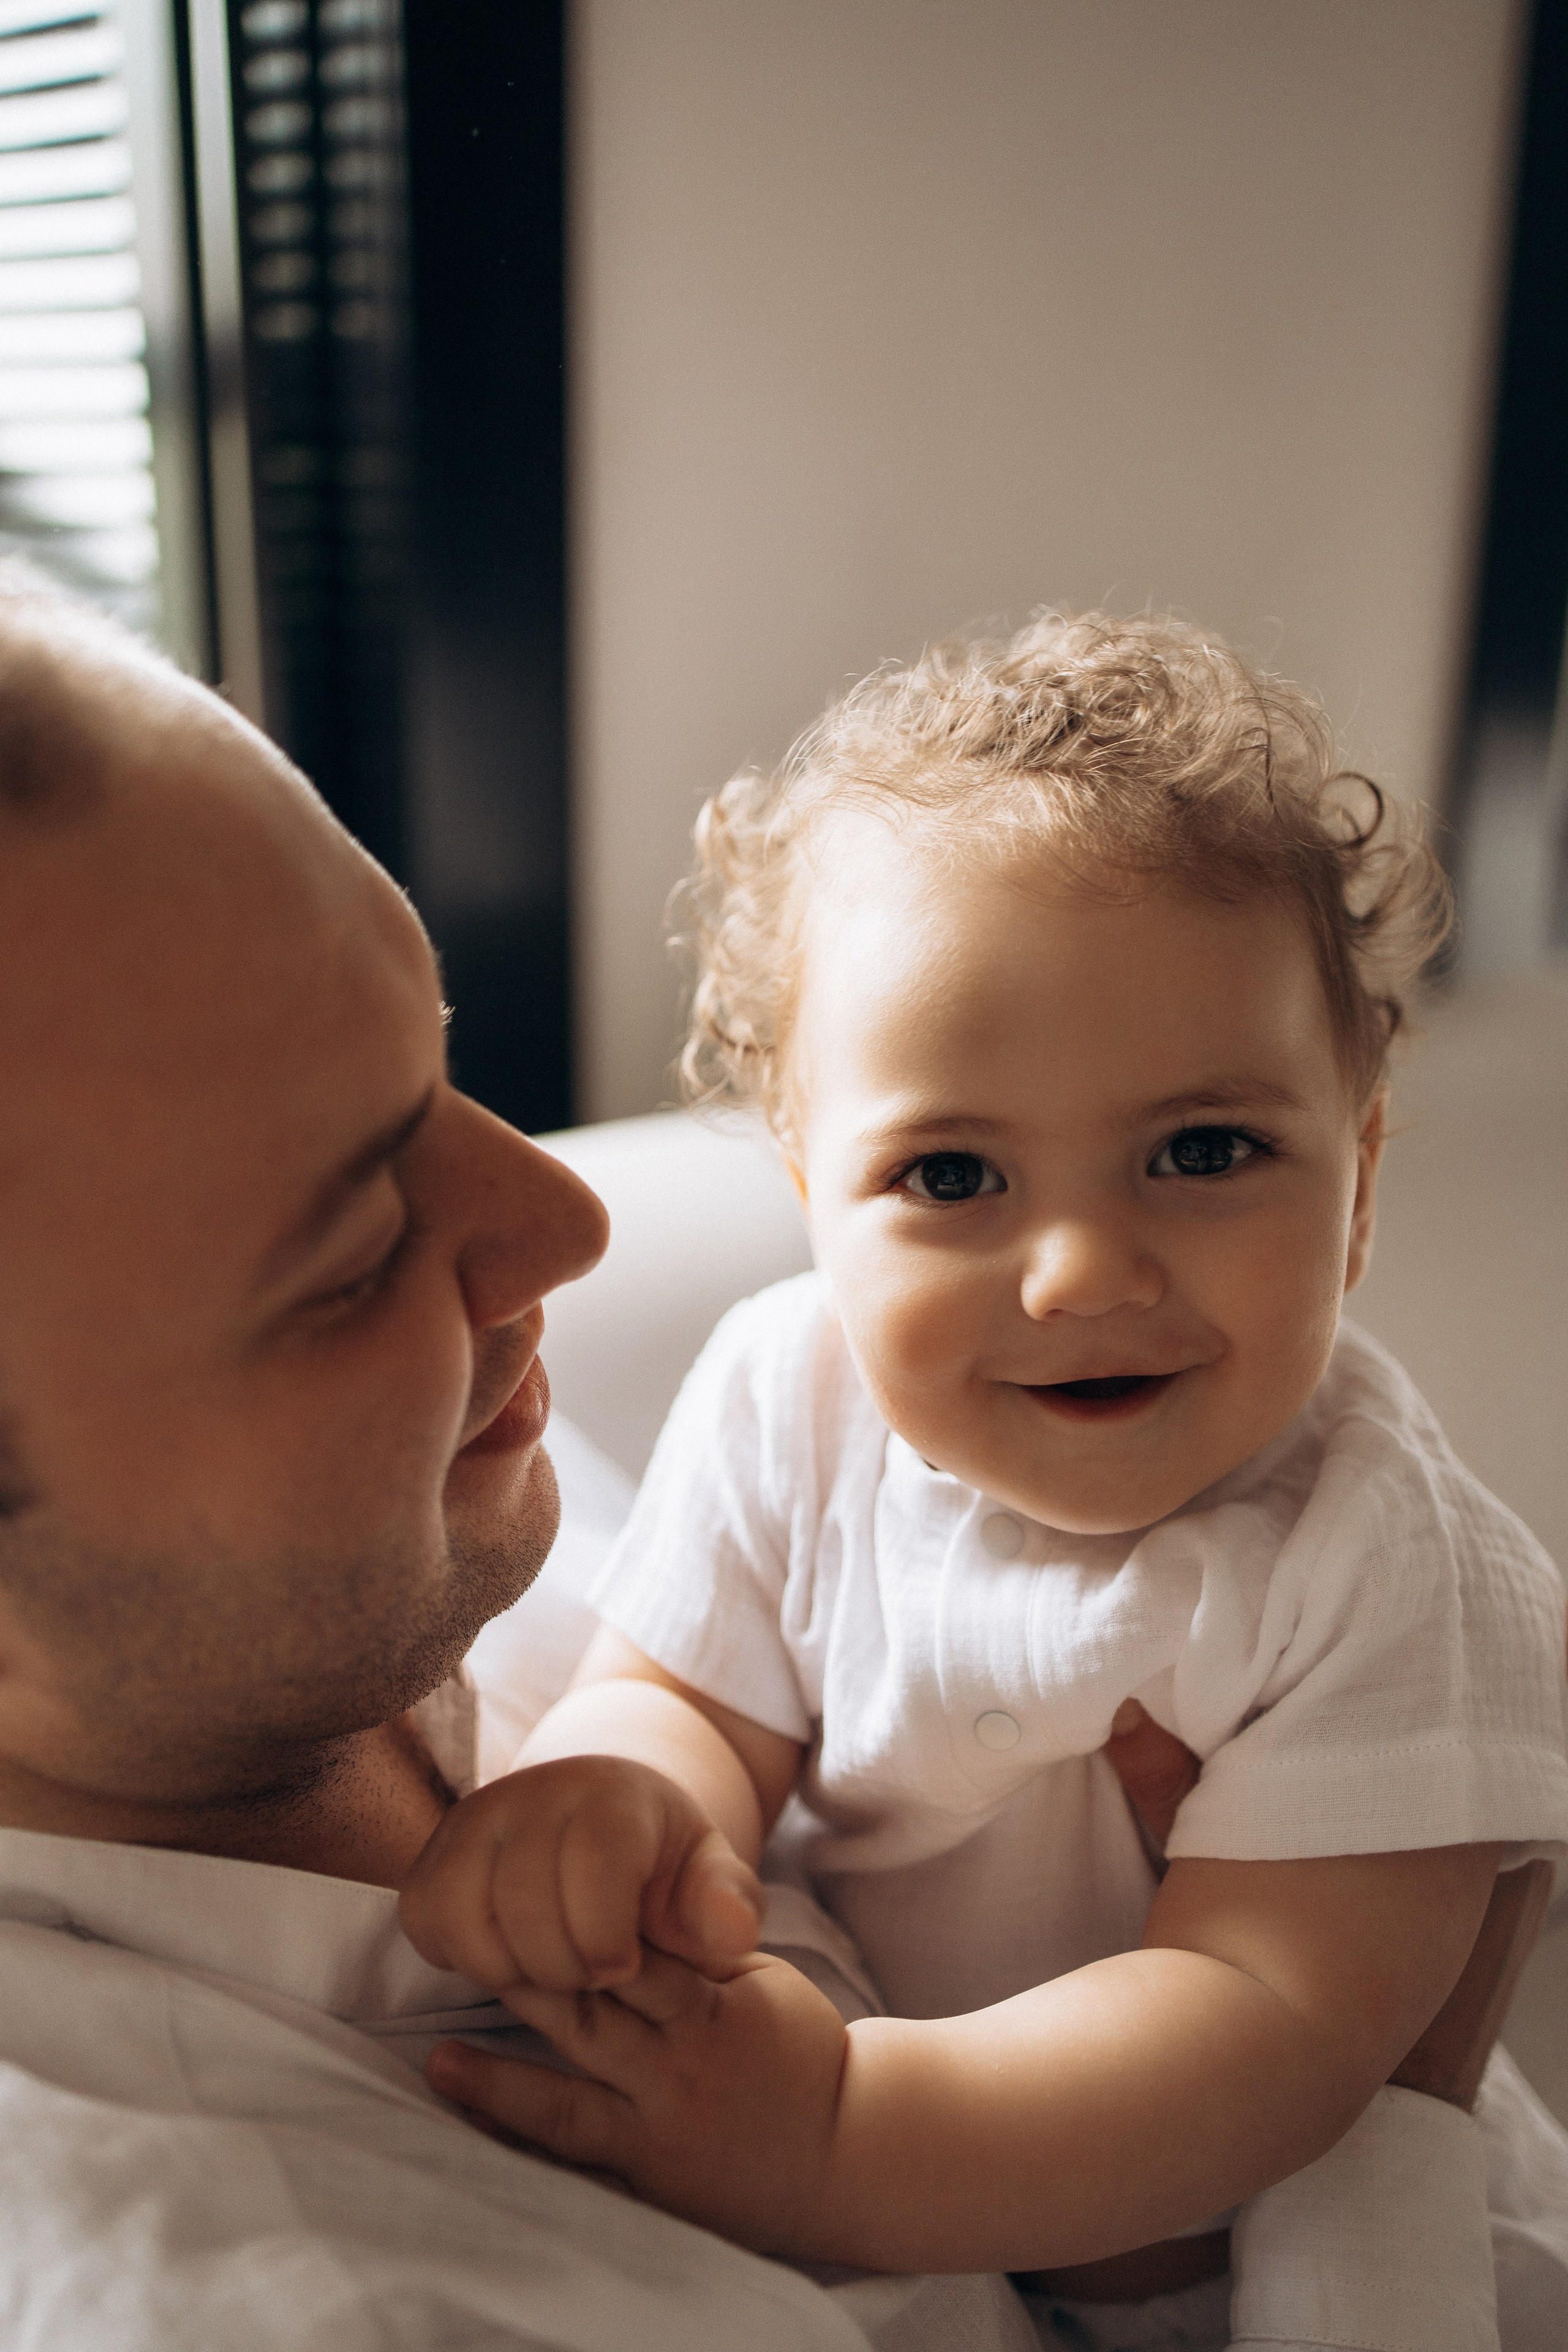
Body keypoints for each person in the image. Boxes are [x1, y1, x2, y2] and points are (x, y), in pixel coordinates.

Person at [0, 565, 1219, 2352]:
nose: (558, 1222)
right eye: (346, 1263)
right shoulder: (321, 2288)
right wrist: (1382, 2059)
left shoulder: (418, 1527)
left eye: (436, 1068)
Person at [399, 615, 1568, 2352]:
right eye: (953, 1173)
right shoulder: (787, 1395)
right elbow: (695, 1703)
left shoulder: (1380, 1553)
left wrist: (840, 2138)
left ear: (1363, 1172)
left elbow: (1268, 2023)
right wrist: (614, 1802)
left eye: (1205, 1151)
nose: (1085, 1273)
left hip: (1252, 2269)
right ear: (810, 1187)